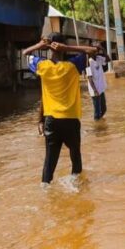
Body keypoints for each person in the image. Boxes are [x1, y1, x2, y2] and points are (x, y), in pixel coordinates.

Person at [23, 33, 97, 184]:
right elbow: (93, 50)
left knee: (50, 160)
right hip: (71, 119)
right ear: (63, 47)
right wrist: (68, 47)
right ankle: (77, 187)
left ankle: (45, 189)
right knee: (75, 156)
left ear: (50, 47)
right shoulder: (73, 66)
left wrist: (40, 45)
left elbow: (25, 53)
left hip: (51, 120)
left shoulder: (42, 66)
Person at [86, 45, 110, 121]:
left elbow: (108, 60)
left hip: (101, 88)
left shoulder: (99, 58)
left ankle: (99, 123)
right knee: (97, 112)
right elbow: (89, 77)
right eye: (94, 51)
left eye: (97, 50)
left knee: (104, 109)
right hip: (95, 90)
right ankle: (97, 127)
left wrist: (103, 49)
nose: (96, 52)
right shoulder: (89, 62)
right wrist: (95, 90)